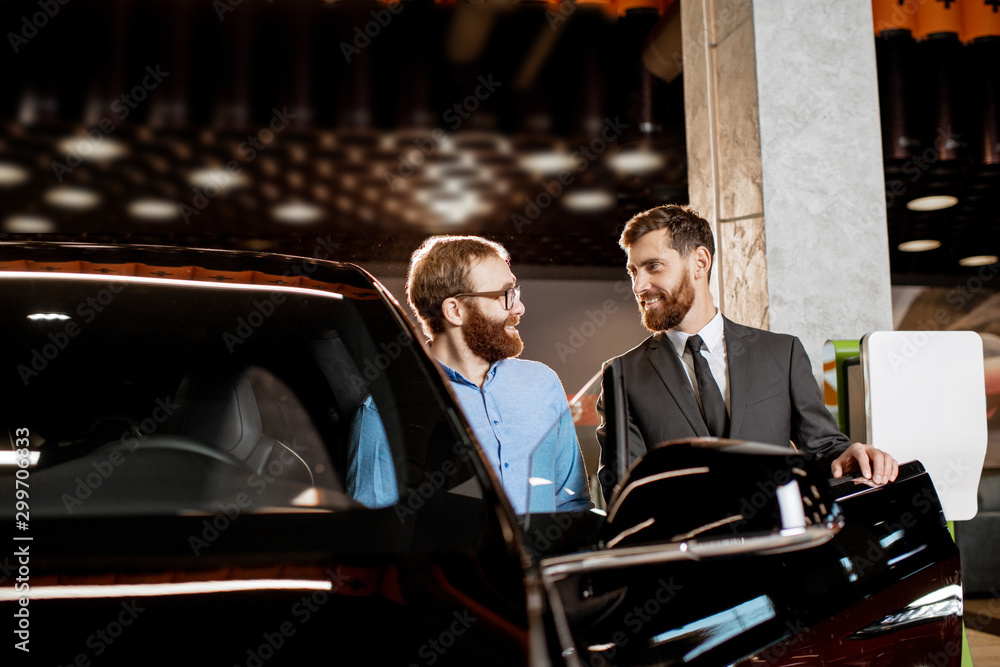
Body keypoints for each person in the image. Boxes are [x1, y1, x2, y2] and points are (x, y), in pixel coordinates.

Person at [596, 204, 898, 504]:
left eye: (653, 266)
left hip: (779, 546)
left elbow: (825, 450)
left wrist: (850, 456)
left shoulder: (782, 353)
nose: (638, 286)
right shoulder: (622, 376)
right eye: (633, 271)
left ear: (700, 262)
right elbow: (624, 493)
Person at [348, 235, 592, 514]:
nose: (519, 308)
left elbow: (574, 506)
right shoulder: (385, 408)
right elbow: (374, 532)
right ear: (455, 310)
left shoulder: (542, 384)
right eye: (505, 295)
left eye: (516, 292)